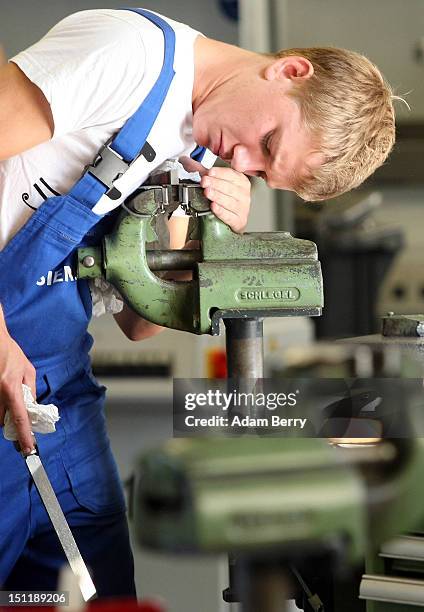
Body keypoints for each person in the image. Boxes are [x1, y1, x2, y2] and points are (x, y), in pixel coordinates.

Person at [0, 6, 396, 599]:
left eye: (263, 172)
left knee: (97, 597)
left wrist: (205, 240)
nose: (244, 164)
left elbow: (139, 323)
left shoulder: (205, 150)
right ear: (289, 71)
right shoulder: (128, 56)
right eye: (265, 143)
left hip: (58, 397)